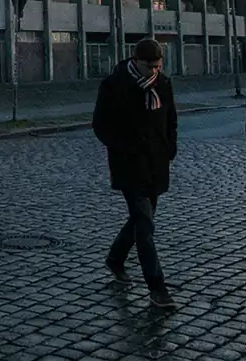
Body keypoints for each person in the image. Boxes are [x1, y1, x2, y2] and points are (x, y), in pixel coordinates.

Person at [92, 38, 179, 309]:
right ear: (135, 60)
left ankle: (115, 259)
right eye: (148, 66)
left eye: (157, 66)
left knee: (143, 219)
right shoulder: (114, 85)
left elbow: (171, 119)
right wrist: (125, 148)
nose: (153, 71)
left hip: (156, 165)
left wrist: (169, 150)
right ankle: (157, 287)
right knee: (145, 226)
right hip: (129, 165)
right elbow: (101, 125)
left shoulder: (163, 84)